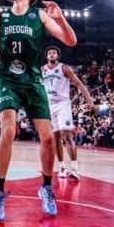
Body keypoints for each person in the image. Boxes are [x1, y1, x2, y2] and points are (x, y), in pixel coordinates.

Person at [0, 0, 77, 222]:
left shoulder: (39, 16)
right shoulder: (0, 16)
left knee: (48, 137)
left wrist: (60, 18)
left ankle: (46, 187)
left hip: (32, 80)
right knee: (8, 131)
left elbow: (70, 41)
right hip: (7, 79)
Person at [41, 46, 93, 181]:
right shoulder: (42, 69)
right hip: (49, 105)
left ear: (58, 56)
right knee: (55, 138)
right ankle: (62, 167)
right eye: (49, 53)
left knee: (67, 135)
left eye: (54, 53)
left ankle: (75, 169)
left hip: (63, 104)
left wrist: (89, 100)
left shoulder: (64, 68)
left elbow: (78, 83)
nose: (51, 54)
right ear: (46, 56)